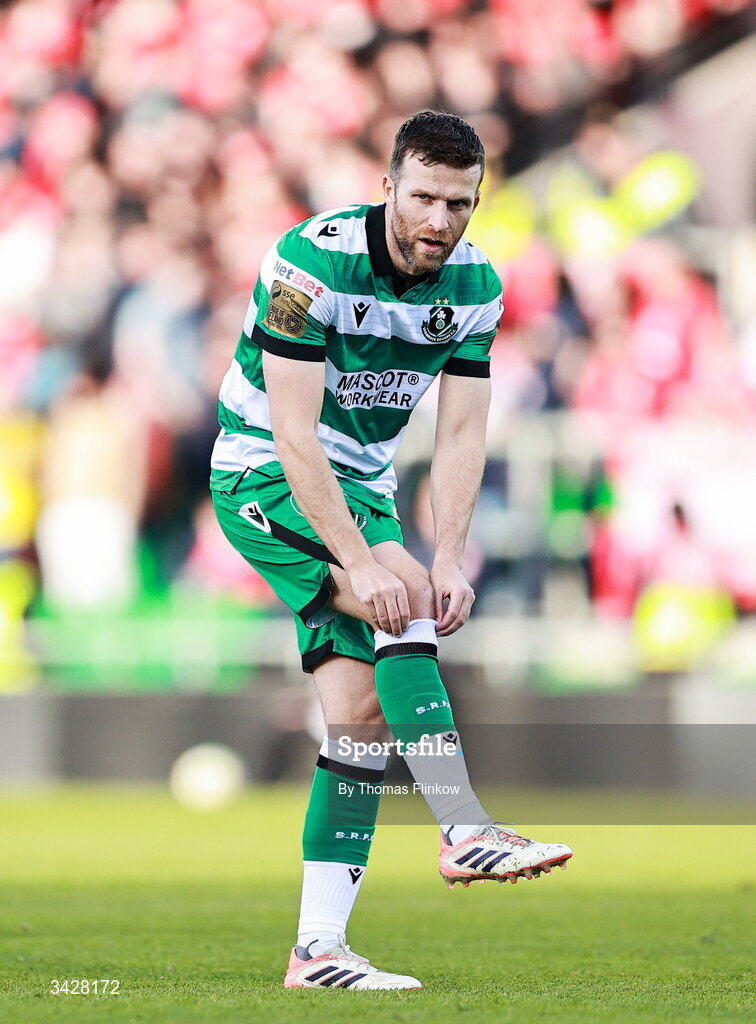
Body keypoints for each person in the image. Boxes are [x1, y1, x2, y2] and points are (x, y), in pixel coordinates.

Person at [210, 110, 572, 991]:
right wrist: (366, 562)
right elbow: (294, 434)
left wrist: (448, 552)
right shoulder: (309, 263)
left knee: (362, 723)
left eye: (460, 202)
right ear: (388, 188)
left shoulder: (479, 286)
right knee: (399, 601)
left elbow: (460, 436)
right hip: (265, 474)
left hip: (362, 488)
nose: (440, 221)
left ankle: (318, 951)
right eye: (424, 198)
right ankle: (462, 824)